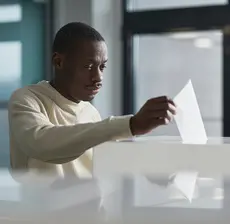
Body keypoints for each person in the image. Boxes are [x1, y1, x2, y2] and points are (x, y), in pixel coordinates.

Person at [8, 22, 176, 180]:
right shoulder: (26, 99)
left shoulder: (90, 112)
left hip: (90, 209)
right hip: (38, 211)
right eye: (88, 66)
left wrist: (151, 171)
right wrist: (130, 124)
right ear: (58, 62)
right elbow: (42, 143)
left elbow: (106, 163)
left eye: (102, 67)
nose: (98, 77)